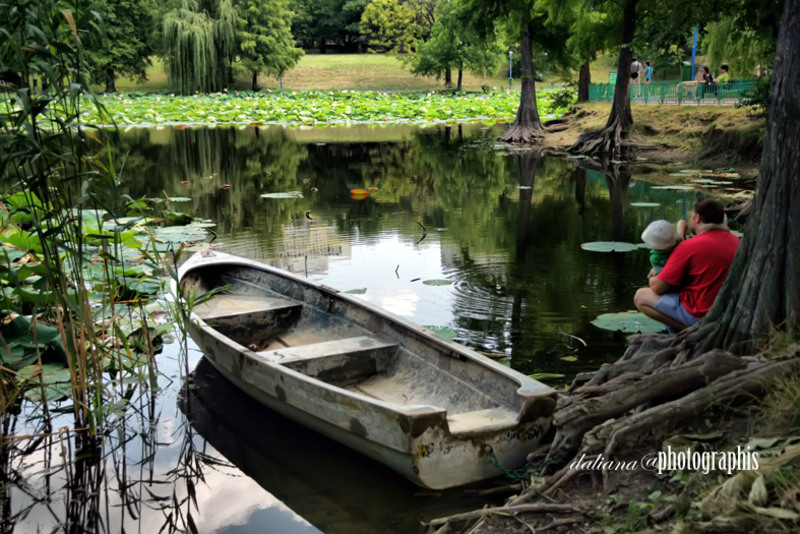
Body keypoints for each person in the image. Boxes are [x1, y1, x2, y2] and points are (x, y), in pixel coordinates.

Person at [634, 198, 739, 332]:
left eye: (692, 217)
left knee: (641, 296)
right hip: (729, 314)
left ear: (698, 218)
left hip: (701, 315)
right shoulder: (737, 242)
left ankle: (692, 331)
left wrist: (654, 275)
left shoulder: (689, 247)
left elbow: (657, 288)